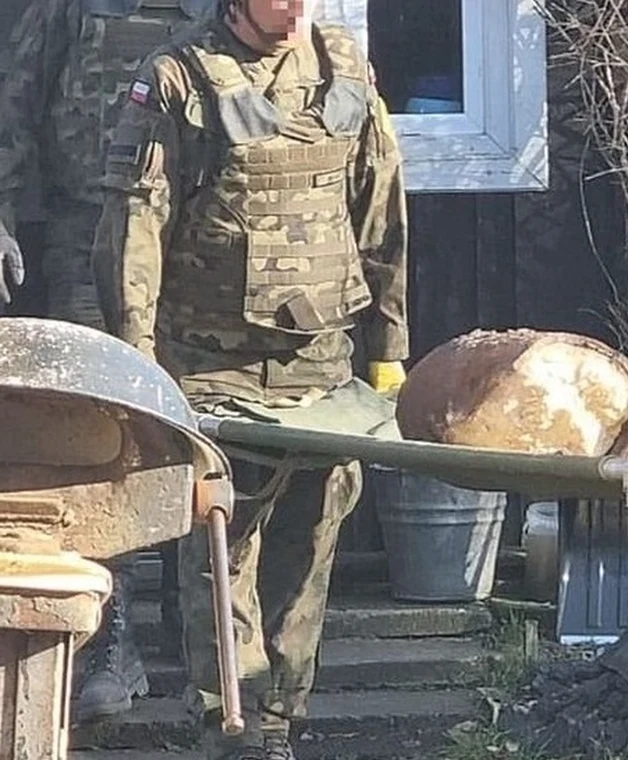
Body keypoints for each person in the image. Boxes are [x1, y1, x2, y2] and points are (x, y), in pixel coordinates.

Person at [91, 0, 410, 756]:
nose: (294, 8)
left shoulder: (343, 67)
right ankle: (229, 725)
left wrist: (389, 345)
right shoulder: (177, 79)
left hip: (322, 368)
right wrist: (139, 363)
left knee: (311, 545)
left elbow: (381, 210)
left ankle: (281, 720)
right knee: (219, 549)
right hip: (212, 369)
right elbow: (135, 228)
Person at [0, 0, 216, 722]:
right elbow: (15, 100)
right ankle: (110, 639)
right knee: (101, 436)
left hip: (202, 247)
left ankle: (201, 637)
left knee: (195, 431)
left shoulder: (228, 13)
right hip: (88, 237)